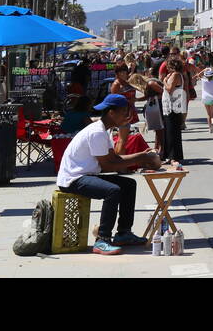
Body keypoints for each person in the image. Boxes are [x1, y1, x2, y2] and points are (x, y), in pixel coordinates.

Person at [56, 93, 162, 254]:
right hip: (73, 179)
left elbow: (115, 158)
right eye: (124, 112)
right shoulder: (97, 132)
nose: (127, 116)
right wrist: (141, 157)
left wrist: (139, 154)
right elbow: (107, 166)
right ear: (111, 113)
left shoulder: (103, 130)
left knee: (129, 184)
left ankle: (123, 233)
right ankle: (102, 239)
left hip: (86, 175)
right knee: (113, 191)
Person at [142, 80, 165, 155]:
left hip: (158, 105)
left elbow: (164, 92)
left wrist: (155, 97)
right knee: (157, 129)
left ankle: (161, 149)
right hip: (154, 105)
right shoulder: (149, 85)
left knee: (160, 129)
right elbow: (147, 96)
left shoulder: (151, 83)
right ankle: (157, 148)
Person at [198, 64, 213, 132]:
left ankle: (209, 127)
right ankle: (212, 125)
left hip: (206, 98)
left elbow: (198, 75)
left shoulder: (204, 81)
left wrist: (204, 70)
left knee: (208, 114)